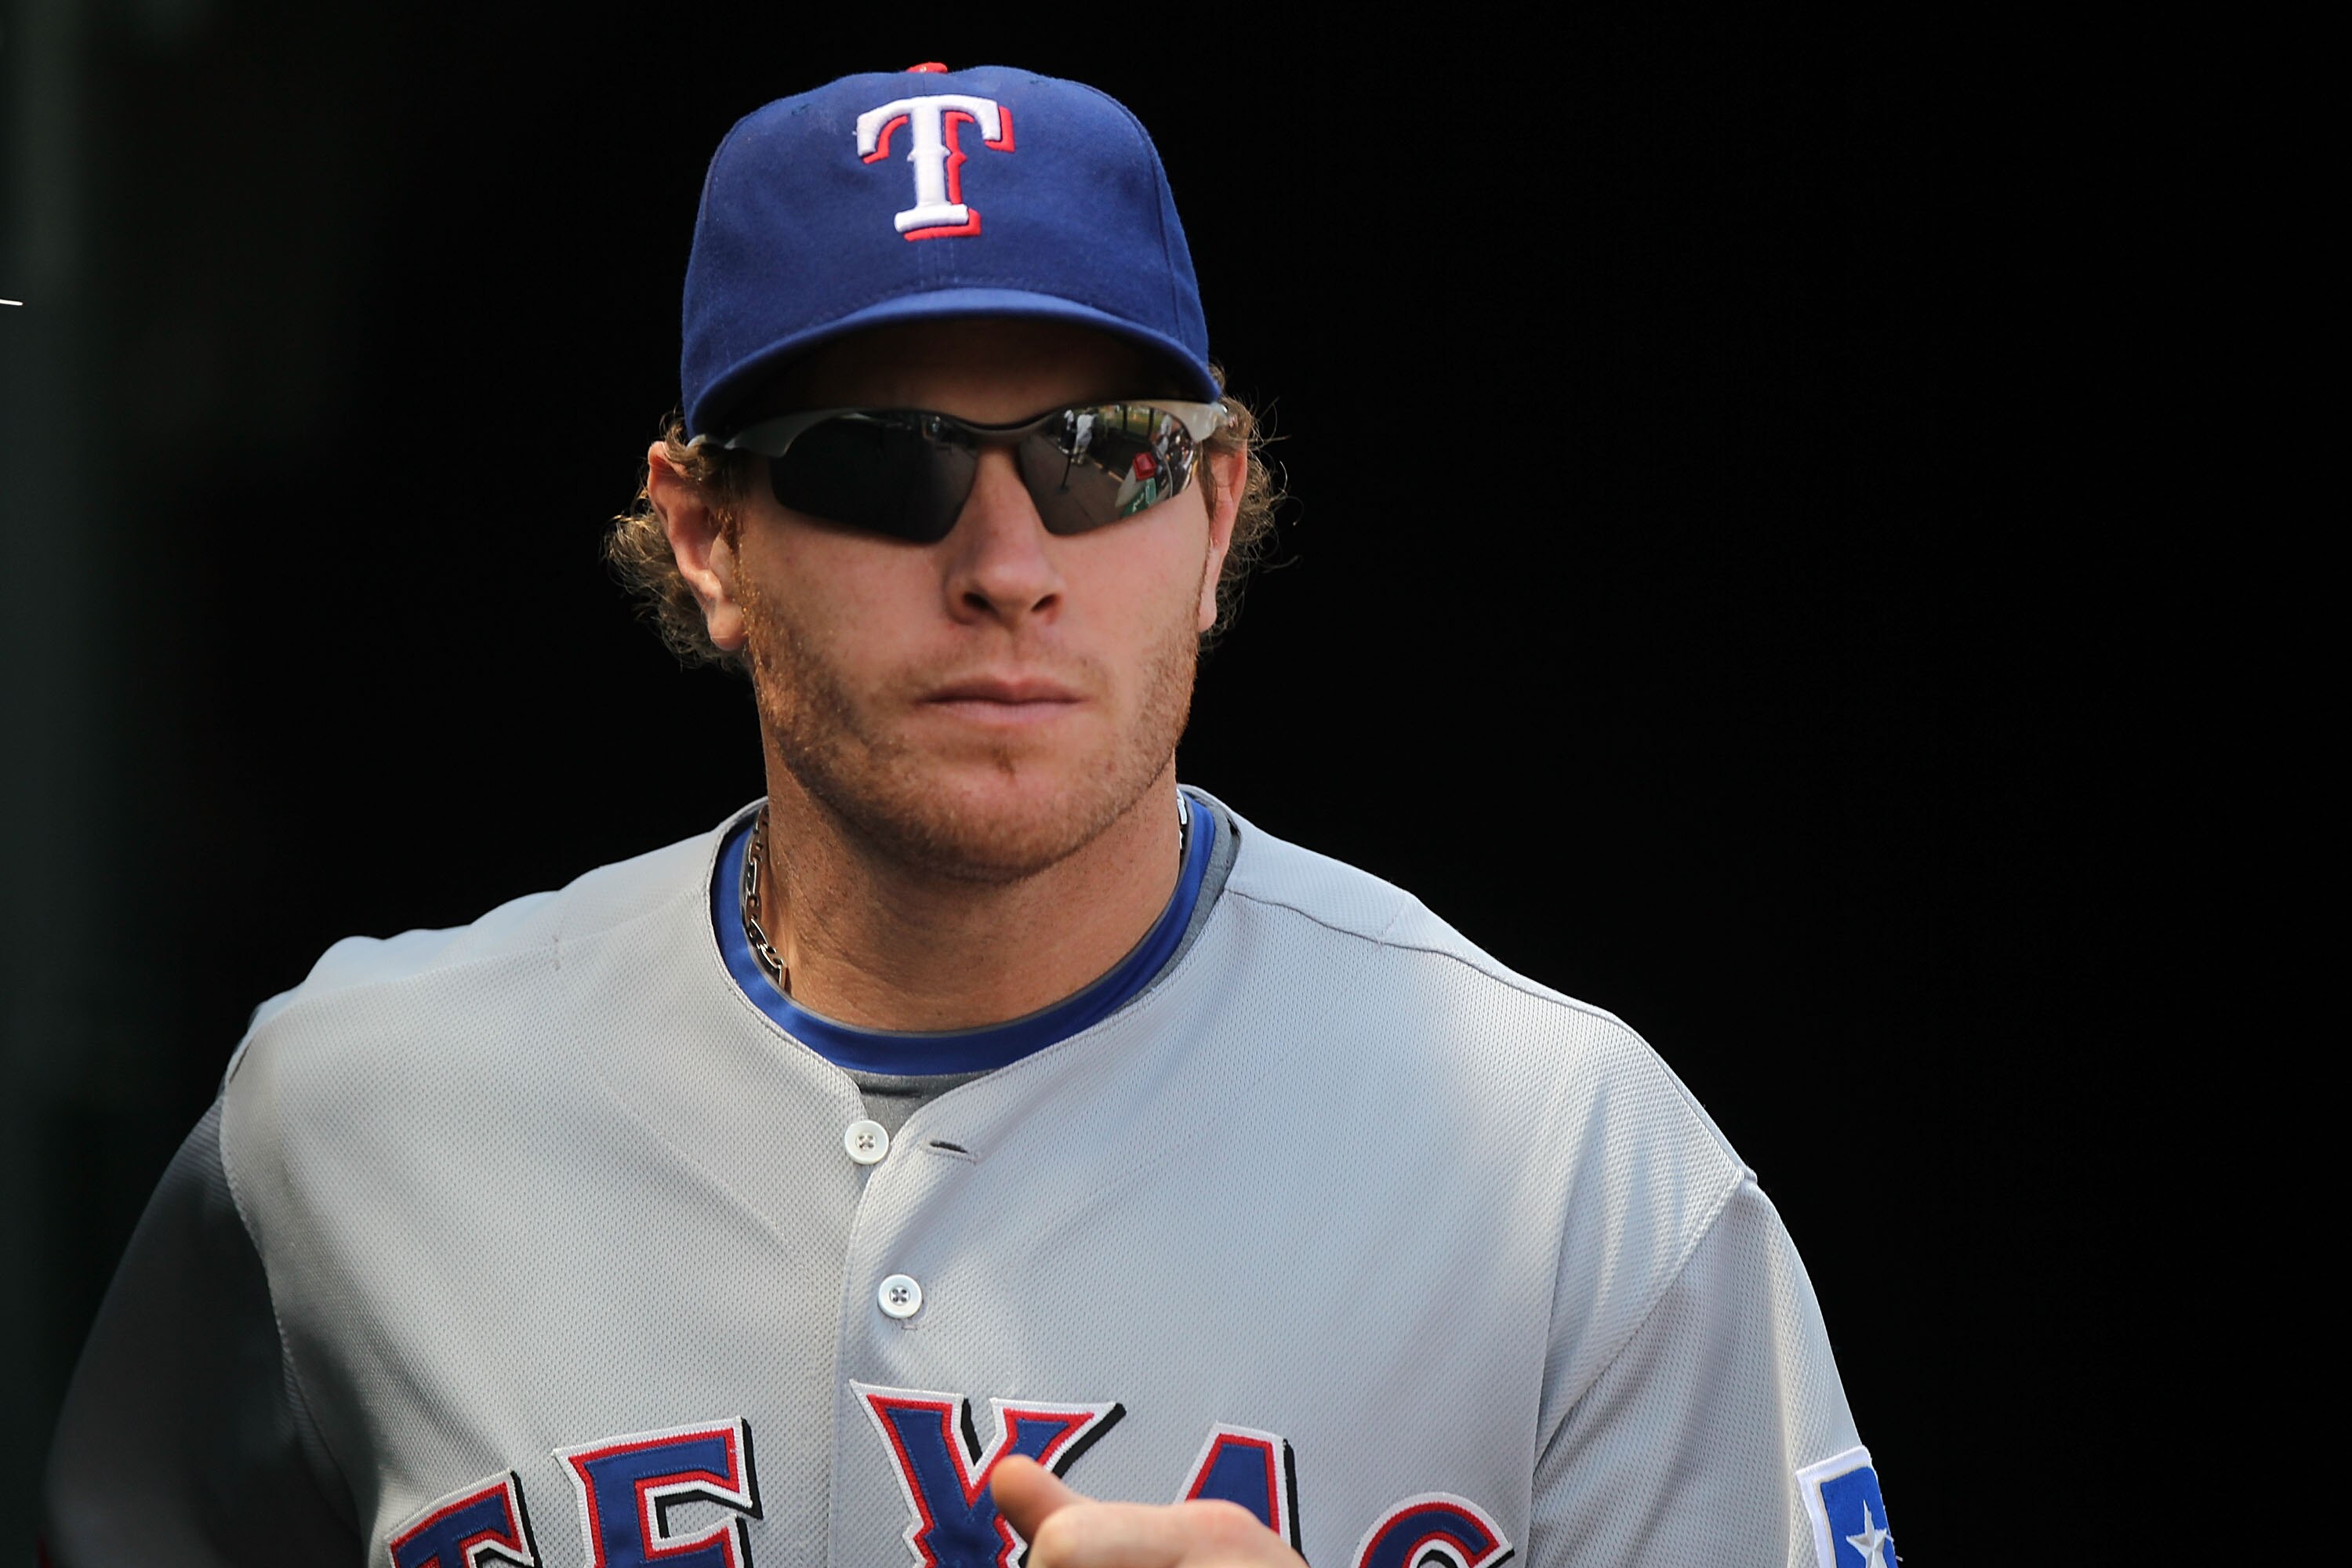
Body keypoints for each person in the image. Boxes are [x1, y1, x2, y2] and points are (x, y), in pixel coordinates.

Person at [42, 64, 1896, 1568]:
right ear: (707, 535)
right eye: (885, 459)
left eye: (1106, 455)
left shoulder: (1575, 1163)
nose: (1008, 563)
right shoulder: (352, 1114)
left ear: (1217, 515)